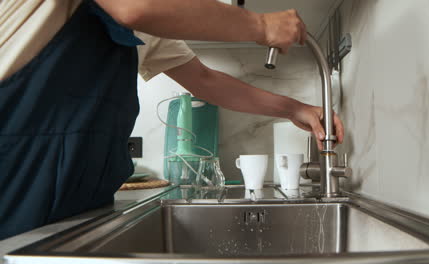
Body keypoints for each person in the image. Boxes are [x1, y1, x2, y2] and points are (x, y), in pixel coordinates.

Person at [0, 0, 344, 240]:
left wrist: (295, 109)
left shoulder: (149, 28)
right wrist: (260, 24)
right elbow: (135, 4)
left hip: (77, 201)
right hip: (14, 170)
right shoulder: (137, 6)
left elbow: (205, 81)